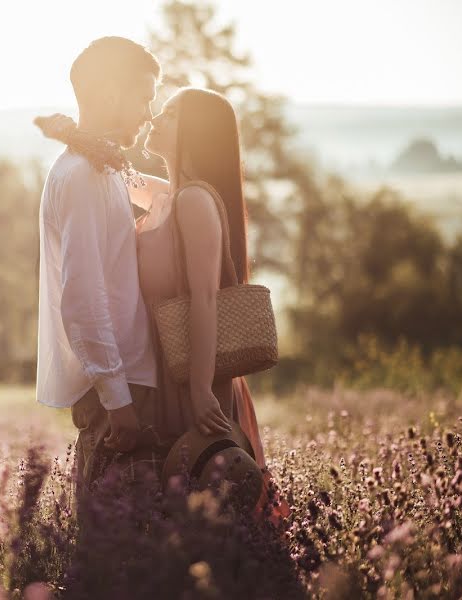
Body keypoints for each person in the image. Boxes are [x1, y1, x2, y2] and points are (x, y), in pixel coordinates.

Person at [38, 87, 290, 527]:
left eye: (171, 112)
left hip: (189, 377)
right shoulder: (164, 196)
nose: (156, 116)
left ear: (195, 132)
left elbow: (206, 299)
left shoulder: (194, 201)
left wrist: (198, 388)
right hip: (165, 369)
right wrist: (74, 135)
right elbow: (116, 171)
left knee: (201, 511)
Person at [34, 37, 164, 526]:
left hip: (127, 379)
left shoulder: (106, 168)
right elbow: (83, 297)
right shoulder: (84, 176)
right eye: (144, 96)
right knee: (117, 550)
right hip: (120, 386)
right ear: (111, 94)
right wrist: (118, 400)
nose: (149, 112)